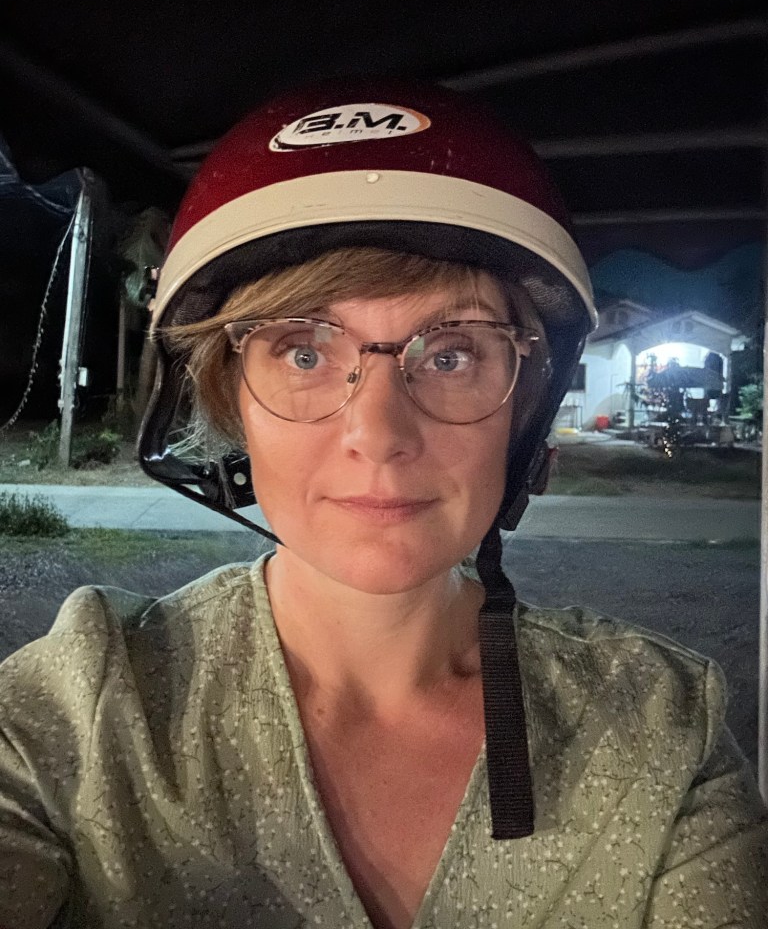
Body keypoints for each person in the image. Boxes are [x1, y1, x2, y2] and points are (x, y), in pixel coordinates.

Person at [0, 80, 766, 929]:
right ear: (230, 399)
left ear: (523, 416)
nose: (378, 433)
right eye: (303, 352)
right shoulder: (85, 708)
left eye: (451, 354)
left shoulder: (659, 726)